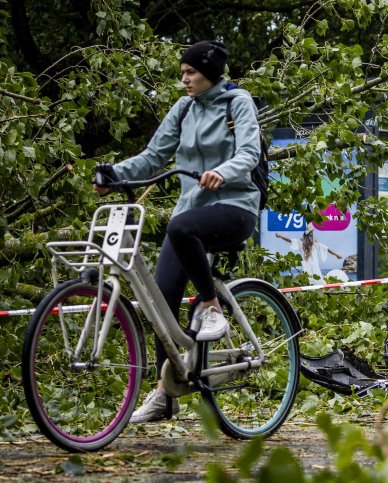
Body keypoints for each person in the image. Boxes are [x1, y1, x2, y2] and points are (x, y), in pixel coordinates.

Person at [92, 40, 262, 423]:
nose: (184, 79)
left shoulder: (237, 103)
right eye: (182, 72)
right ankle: (165, 394)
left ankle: (211, 307)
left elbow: (249, 153)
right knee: (160, 298)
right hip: (190, 214)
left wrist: (223, 172)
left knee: (179, 226)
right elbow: (153, 156)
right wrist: (113, 173)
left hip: (235, 206)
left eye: (191, 72)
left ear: (210, 73)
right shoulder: (184, 108)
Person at [275, 226, 343, 282]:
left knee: (315, 280)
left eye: (312, 233)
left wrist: (336, 254)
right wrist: (281, 236)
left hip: (314, 265)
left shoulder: (314, 241)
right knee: (309, 280)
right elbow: (290, 240)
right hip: (306, 265)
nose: (312, 234)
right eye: (311, 233)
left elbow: (325, 248)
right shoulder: (301, 241)